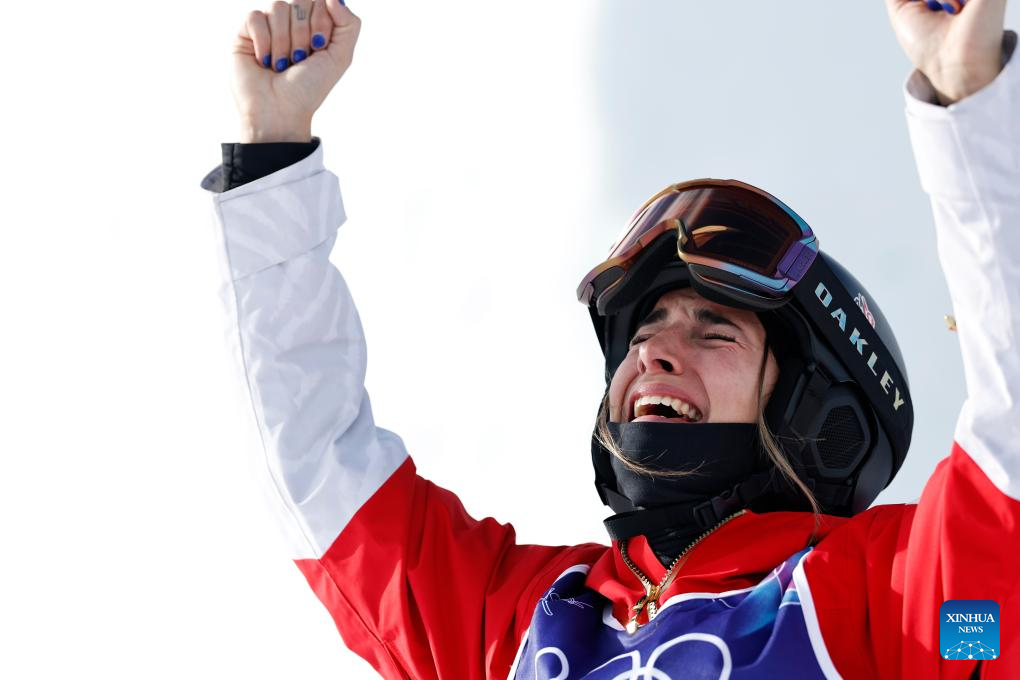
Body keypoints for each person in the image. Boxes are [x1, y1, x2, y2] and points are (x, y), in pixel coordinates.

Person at [202, 0, 1019, 677]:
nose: (653, 353)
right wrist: (271, 150)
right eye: (646, 328)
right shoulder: (518, 622)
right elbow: (320, 468)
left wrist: (969, 106)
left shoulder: (886, 596)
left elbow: (1008, 453)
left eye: (714, 331)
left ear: (814, 414)